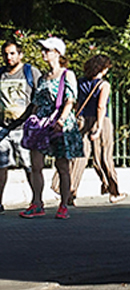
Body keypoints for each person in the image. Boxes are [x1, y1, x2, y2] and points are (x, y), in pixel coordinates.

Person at [13, 37, 84, 220]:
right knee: (36, 164)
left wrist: (60, 121)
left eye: (47, 50)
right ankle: (37, 203)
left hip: (59, 124)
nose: (43, 52)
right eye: (43, 49)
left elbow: (70, 100)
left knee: (62, 165)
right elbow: (36, 103)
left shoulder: (67, 75)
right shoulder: (43, 77)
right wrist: (30, 120)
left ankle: (63, 204)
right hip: (41, 124)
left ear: (58, 53)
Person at [68, 54, 120, 203]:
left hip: (82, 120)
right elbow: (101, 106)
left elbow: (76, 102)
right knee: (104, 157)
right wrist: (98, 127)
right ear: (103, 69)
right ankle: (113, 191)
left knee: (79, 158)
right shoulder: (104, 85)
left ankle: (70, 192)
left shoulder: (80, 82)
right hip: (100, 121)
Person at [0, 37, 36, 213]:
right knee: (1, 166)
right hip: (3, 128)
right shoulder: (1, 74)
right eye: (6, 54)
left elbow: (39, 97)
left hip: (24, 128)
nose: (9, 58)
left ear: (20, 54)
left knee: (29, 166)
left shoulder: (30, 72)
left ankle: (36, 200)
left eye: (13, 54)